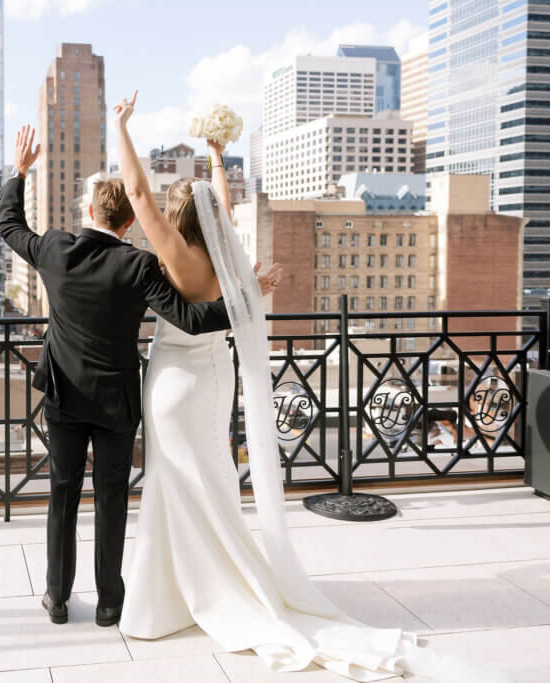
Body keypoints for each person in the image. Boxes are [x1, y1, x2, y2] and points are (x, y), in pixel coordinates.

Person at [111, 90, 448, 682]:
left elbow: (137, 194)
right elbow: (226, 206)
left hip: (172, 383)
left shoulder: (176, 257)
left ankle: (166, 598)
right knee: (214, 481)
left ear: (178, 218)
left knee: (172, 483)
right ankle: (220, 577)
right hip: (215, 382)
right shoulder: (229, 255)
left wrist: (122, 129)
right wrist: (217, 155)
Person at [0, 126, 278, 628]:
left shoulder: (56, 249)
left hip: (63, 397)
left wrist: (19, 172)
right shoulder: (140, 265)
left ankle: (57, 597)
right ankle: (109, 603)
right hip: (116, 404)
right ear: (129, 222)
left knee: (62, 495)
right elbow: (192, 319)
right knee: (111, 500)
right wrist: (244, 299)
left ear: (90, 213)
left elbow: (9, 225)